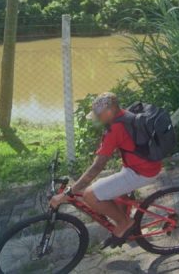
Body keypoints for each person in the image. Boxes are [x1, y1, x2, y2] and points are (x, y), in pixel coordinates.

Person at [49, 92, 162, 246]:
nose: (97, 119)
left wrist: (68, 193)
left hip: (141, 172)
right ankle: (124, 218)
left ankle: (125, 223)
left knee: (89, 195)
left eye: (98, 115)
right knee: (111, 190)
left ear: (109, 111)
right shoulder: (125, 115)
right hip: (145, 165)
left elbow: (97, 167)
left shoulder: (115, 129)